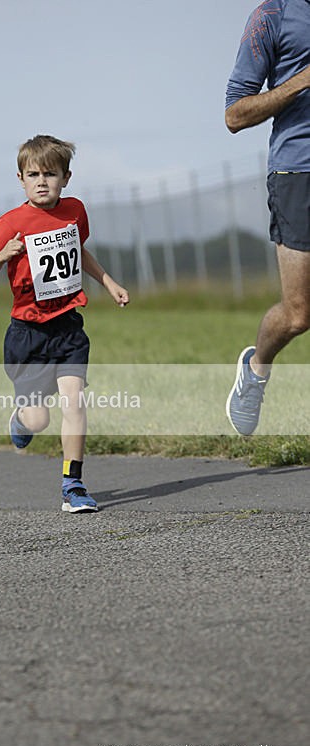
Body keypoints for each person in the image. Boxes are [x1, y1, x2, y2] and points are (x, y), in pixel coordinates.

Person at [0, 134, 129, 512]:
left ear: (66, 177)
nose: (42, 181)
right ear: (20, 178)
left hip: (67, 328)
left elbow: (78, 248)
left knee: (74, 403)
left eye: (50, 173)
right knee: (38, 419)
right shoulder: (10, 222)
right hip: (27, 335)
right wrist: (2, 256)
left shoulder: (75, 211)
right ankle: (21, 420)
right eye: (33, 174)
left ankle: (73, 485)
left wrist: (108, 281)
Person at [225, 0, 310, 435]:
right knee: (299, 314)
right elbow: (235, 115)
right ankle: (256, 367)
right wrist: (303, 80)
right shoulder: (273, 15)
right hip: (298, 171)